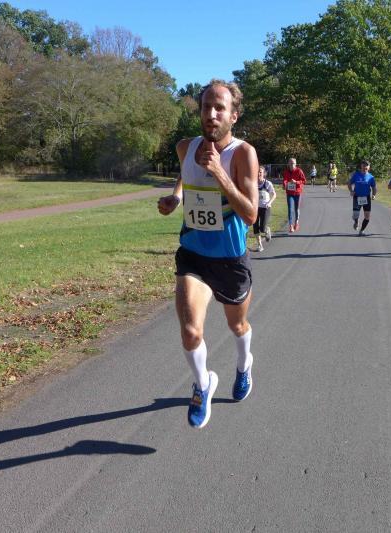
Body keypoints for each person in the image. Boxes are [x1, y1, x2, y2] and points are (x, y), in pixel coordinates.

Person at [157, 79, 259, 429]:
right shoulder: (185, 147)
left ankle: (244, 365)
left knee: (237, 325)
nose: (212, 114)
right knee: (190, 331)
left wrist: (219, 173)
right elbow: (185, 175)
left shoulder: (242, 154)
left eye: (220, 108)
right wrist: (176, 198)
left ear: (233, 116)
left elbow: (250, 214)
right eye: (206, 107)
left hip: (230, 258)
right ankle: (203, 384)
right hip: (194, 253)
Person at [348, 160, 377, 236]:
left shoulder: (371, 177)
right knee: (355, 215)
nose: (365, 167)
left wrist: (374, 195)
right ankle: (356, 221)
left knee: (367, 216)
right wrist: (351, 191)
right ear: (361, 166)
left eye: (366, 166)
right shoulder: (356, 175)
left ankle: (362, 230)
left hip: (366, 197)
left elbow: (374, 187)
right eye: (363, 166)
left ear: (369, 167)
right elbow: (349, 183)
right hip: (357, 197)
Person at [253, 165, 276, 251]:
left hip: (265, 208)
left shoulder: (267, 183)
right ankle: (260, 245)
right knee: (255, 227)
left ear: (264, 174)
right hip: (255, 208)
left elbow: (274, 194)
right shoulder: (253, 183)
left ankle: (266, 230)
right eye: (257, 172)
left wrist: (269, 203)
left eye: (260, 172)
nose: (258, 173)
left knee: (262, 228)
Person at [282, 157, 306, 232]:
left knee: (296, 209)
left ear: (296, 164)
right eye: (290, 163)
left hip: (298, 193)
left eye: (293, 163)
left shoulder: (299, 171)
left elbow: (304, 181)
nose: (292, 165)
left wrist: (296, 182)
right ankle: (290, 226)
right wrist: (284, 184)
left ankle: (296, 222)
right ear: (288, 164)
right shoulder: (286, 172)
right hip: (290, 193)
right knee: (290, 209)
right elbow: (285, 180)